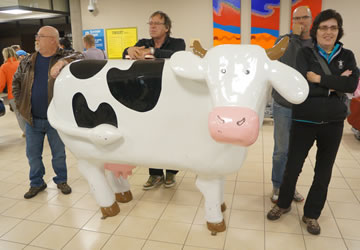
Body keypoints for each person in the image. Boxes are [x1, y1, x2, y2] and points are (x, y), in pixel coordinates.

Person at [267, 9, 359, 235]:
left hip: (334, 122)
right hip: (304, 119)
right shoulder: (305, 54)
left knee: (324, 171)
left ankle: (312, 214)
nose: (328, 32)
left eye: (333, 28)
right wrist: (336, 84)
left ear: (339, 31)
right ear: (316, 30)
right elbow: (301, 87)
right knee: (292, 166)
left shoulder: (347, 56)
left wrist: (320, 80)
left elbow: (351, 86)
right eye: (324, 28)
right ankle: (283, 204)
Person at [12, 26, 84, 199]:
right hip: (32, 119)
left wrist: (61, 63)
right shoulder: (28, 60)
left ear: (53, 39)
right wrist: (21, 105)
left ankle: (61, 180)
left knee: (58, 154)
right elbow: (17, 82)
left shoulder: (64, 58)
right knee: (33, 154)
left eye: (40, 36)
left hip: (56, 119)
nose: (36, 39)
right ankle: (37, 182)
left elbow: (81, 56)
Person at [123, 11, 185, 189]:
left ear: (166, 27)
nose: (152, 26)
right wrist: (128, 50)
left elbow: (176, 55)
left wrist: (152, 52)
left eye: (157, 23)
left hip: (171, 96)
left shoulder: (177, 43)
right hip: (148, 96)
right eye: (150, 23)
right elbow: (124, 54)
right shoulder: (142, 42)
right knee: (150, 135)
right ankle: (155, 174)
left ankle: (171, 173)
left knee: (170, 135)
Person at [270, 6, 314, 203]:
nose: (301, 21)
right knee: (281, 150)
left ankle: (290, 187)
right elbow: (288, 64)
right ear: (292, 21)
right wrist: (295, 38)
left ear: (311, 19)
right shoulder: (284, 41)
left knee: (297, 152)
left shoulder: (316, 43)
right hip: (283, 104)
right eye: (297, 18)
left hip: (306, 105)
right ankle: (278, 186)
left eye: (305, 17)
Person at [0, 47, 25, 134]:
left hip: (13, 94)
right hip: (26, 93)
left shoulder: (4, 67)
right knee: (28, 112)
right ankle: (32, 131)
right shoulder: (21, 63)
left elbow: (1, 84)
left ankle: (26, 132)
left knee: (19, 114)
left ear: (5, 55)